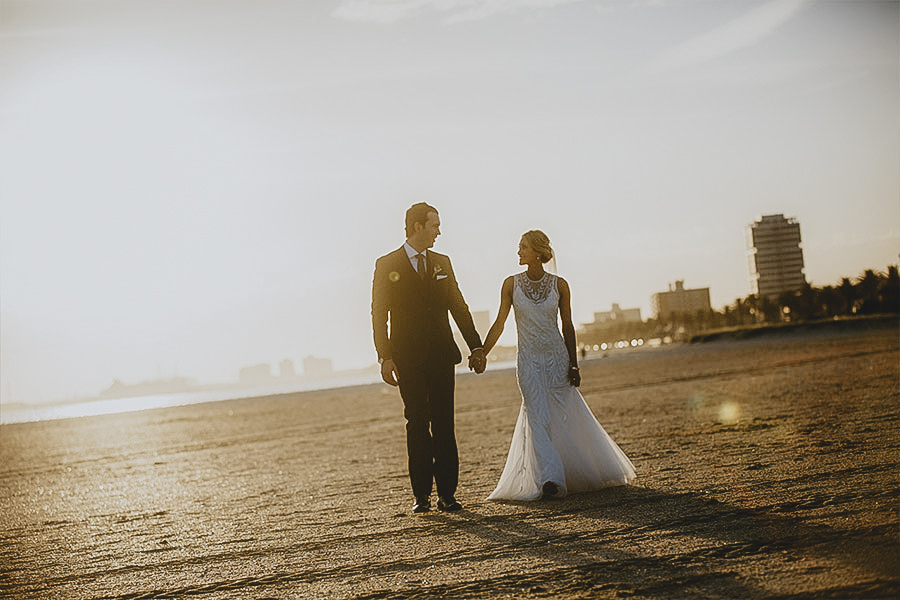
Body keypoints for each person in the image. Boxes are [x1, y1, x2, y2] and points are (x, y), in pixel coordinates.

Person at [482, 230, 636, 501]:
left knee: (564, 414)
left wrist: (574, 364)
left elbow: (567, 326)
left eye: (524, 247)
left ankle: (573, 469)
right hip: (528, 361)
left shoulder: (560, 285)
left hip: (557, 358)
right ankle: (550, 478)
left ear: (539, 252)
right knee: (536, 414)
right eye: (519, 247)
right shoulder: (510, 284)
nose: (519, 252)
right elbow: (500, 323)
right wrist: (483, 351)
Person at [371, 203, 487, 513]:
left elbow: (458, 306)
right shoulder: (387, 264)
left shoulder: (442, 263)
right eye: (435, 225)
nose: (439, 231)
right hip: (406, 359)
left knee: (444, 424)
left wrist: (476, 346)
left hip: (440, 356)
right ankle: (420, 496)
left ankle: (447, 495)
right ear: (417, 227)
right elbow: (378, 313)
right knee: (417, 423)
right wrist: (385, 356)